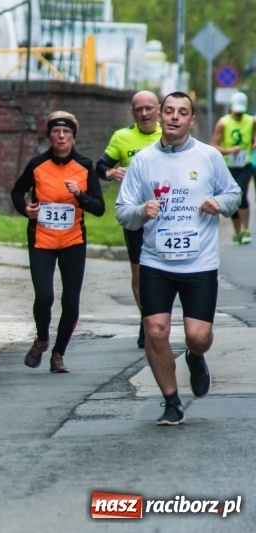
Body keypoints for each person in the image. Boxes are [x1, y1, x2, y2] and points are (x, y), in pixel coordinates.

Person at [116, 92, 241, 426]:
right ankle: (171, 401)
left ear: (191, 120)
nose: (174, 117)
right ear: (160, 115)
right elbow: (123, 211)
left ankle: (195, 357)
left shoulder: (209, 156)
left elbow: (234, 193)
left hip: (200, 264)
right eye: (169, 111)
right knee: (155, 330)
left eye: (182, 112)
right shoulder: (143, 160)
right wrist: (141, 211)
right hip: (156, 262)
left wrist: (220, 204)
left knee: (198, 336)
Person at [11, 111, 105, 374]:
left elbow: (99, 208)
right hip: (42, 240)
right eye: (56, 132)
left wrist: (81, 195)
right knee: (44, 296)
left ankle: (58, 354)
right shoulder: (37, 164)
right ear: (50, 136)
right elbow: (17, 191)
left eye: (66, 132)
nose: (61, 136)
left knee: (71, 301)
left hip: (73, 241)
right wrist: (25, 208)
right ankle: (42, 338)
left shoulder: (85, 165)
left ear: (73, 137)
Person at [96, 91, 162, 349]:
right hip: (135, 214)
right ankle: (147, 319)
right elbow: (101, 167)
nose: (144, 113)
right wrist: (112, 172)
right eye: (139, 109)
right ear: (132, 112)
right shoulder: (122, 137)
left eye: (149, 108)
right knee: (139, 270)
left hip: (167, 215)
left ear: (158, 109)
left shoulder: (169, 134)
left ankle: (160, 317)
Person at [210, 90, 256, 245]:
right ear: (231, 108)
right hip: (228, 166)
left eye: (241, 112)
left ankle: (245, 229)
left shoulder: (251, 121)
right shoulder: (223, 123)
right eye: (236, 112)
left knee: (241, 193)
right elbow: (214, 146)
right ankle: (237, 232)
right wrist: (229, 150)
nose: (239, 115)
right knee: (231, 198)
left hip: (245, 164)